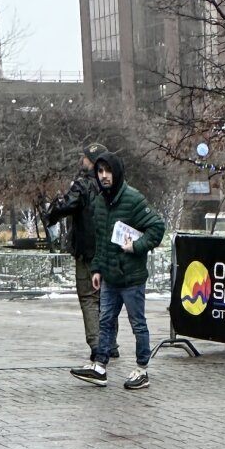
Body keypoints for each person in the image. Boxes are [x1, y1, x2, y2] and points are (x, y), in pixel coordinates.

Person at [70, 152, 166, 390]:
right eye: (100, 171)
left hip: (131, 278)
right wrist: (96, 269)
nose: (104, 176)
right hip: (110, 278)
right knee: (105, 322)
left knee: (138, 324)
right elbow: (101, 240)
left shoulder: (133, 199)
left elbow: (157, 226)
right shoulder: (100, 202)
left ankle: (142, 369)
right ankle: (100, 366)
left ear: (117, 172)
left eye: (108, 171)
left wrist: (137, 246)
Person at [44, 143, 118, 360]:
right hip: (111, 251)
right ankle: (111, 343)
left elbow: (64, 206)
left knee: (89, 298)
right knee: (108, 298)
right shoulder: (115, 186)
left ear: (91, 161)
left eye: (85, 158)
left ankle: (97, 345)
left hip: (87, 252)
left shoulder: (83, 186)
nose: (82, 161)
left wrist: (53, 209)